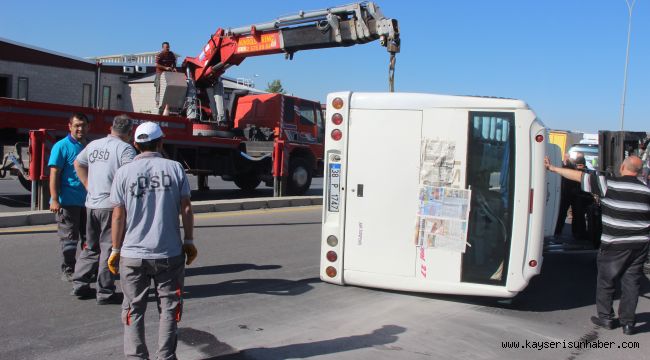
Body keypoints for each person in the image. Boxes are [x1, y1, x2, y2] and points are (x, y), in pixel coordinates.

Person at [108, 122, 197, 359]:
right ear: (161, 142)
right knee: (169, 308)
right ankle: (166, 356)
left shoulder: (124, 172)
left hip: (132, 255)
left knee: (133, 308)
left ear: (135, 144)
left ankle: (136, 356)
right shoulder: (175, 168)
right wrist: (188, 240)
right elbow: (186, 208)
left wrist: (115, 249)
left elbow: (118, 214)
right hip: (168, 253)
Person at [545, 155, 650, 335]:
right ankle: (628, 323)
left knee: (606, 280)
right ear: (639, 172)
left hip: (614, 243)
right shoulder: (647, 190)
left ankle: (606, 317)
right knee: (631, 282)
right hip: (640, 245)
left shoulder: (608, 183)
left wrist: (553, 169)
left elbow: (578, 176)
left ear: (623, 167)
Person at [70, 115, 136, 304]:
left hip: (92, 204)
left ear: (111, 127)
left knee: (91, 247)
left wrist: (88, 184)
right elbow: (129, 176)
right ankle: (105, 291)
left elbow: (78, 163)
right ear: (129, 132)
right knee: (109, 248)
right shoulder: (125, 149)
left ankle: (80, 284)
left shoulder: (94, 145)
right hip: (111, 206)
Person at [49, 113, 89, 282]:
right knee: (70, 239)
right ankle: (69, 269)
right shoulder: (61, 146)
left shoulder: (87, 147)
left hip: (87, 202)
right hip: (68, 202)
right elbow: (54, 173)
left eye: (83, 125)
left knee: (88, 238)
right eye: (77, 125)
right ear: (70, 126)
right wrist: (54, 198)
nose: (80, 129)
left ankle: (86, 269)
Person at [154, 41, 177, 114]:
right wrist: (165, 67)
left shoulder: (171, 54)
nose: (168, 48)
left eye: (168, 47)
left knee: (169, 88)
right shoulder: (160, 55)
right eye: (166, 47)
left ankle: (168, 103)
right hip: (160, 74)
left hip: (168, 74)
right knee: (159, 88)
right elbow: (156, 64)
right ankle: (158, 103)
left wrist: (174, 68)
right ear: (162, 48)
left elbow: (174, 62)